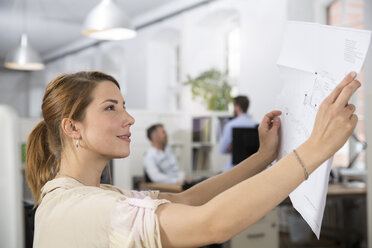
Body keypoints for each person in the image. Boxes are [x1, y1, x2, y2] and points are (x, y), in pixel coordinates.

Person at [26, 70, 360, 248]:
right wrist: (315, 148)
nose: (129, 118)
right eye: (111, 108)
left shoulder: (92, 196)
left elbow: (187, 199)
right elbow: (211, 224)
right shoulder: (82, 208)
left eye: (124, 106)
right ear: (72, 127)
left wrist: (263, 157)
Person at [219, 95, 257, 171]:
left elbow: (222, 150)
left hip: (233, 169)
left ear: (237, 107)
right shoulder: (255, 125)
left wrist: (232, 148)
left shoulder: (231, 125)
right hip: (251, 169)